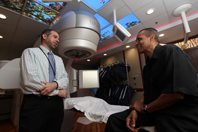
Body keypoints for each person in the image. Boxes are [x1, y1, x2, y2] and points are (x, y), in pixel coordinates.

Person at [105, 27, 198, 132]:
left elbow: (175, 94)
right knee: (115, 120)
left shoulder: (171, 51)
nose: (136, 43)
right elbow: (147, 93)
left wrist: (144, 108)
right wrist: (136, 109)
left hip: (177, 112)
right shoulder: (147, 68)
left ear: (152, 37)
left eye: (139, 39)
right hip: (155, 110)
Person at [19, 29, 69, 132]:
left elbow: (65, 79)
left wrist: (55, 84)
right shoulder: (30, 52)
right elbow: (29, 81)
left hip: (57, 105)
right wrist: (57, 92)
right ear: (44, 36)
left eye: (59, 39)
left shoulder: (59, 60)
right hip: (36, 103)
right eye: (55, 37)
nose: (58, 40)